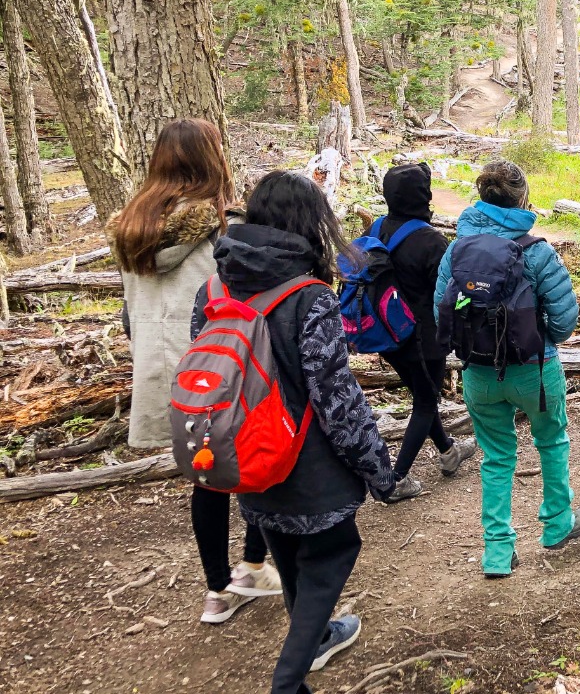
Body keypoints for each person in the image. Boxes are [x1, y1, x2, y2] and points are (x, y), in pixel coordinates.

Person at [194, 171, 396, 692]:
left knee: (287, 554)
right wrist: (378, 470)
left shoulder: (213, 286)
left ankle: (311, 656)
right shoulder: (308, 296)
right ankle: (288, 681)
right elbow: (337, 399)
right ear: (311, 222)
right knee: (333, 554)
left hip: (242, 455)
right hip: (307, 463)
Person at [108, 119, 282, 624]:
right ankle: (250, 567)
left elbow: (127, 312)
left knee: (206, 477)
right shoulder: (220, 226)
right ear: (210, 158)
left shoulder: (133, 229)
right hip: (221, 367)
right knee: (254, 464)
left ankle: (216, 592)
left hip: (165, 374)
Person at [434, 161, 580, 579]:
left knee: (496, 457)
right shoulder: (536, 250)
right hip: (536, 372)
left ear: (481, 197)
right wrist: (543, 339)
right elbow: (565, 321)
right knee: (552, 441)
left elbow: (439, 314)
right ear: (521, 198)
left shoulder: (456, 250)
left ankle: (498, 551)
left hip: (479, 375)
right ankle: (557, 524)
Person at [375, 163, 477, 503]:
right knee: (425, 401)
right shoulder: (432, 241)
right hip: (423, 340)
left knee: (423, 394)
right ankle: (395, 479)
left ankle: (448, 451)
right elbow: (450, 295)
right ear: (424, 196)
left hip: (387, 335)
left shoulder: (378, 229)